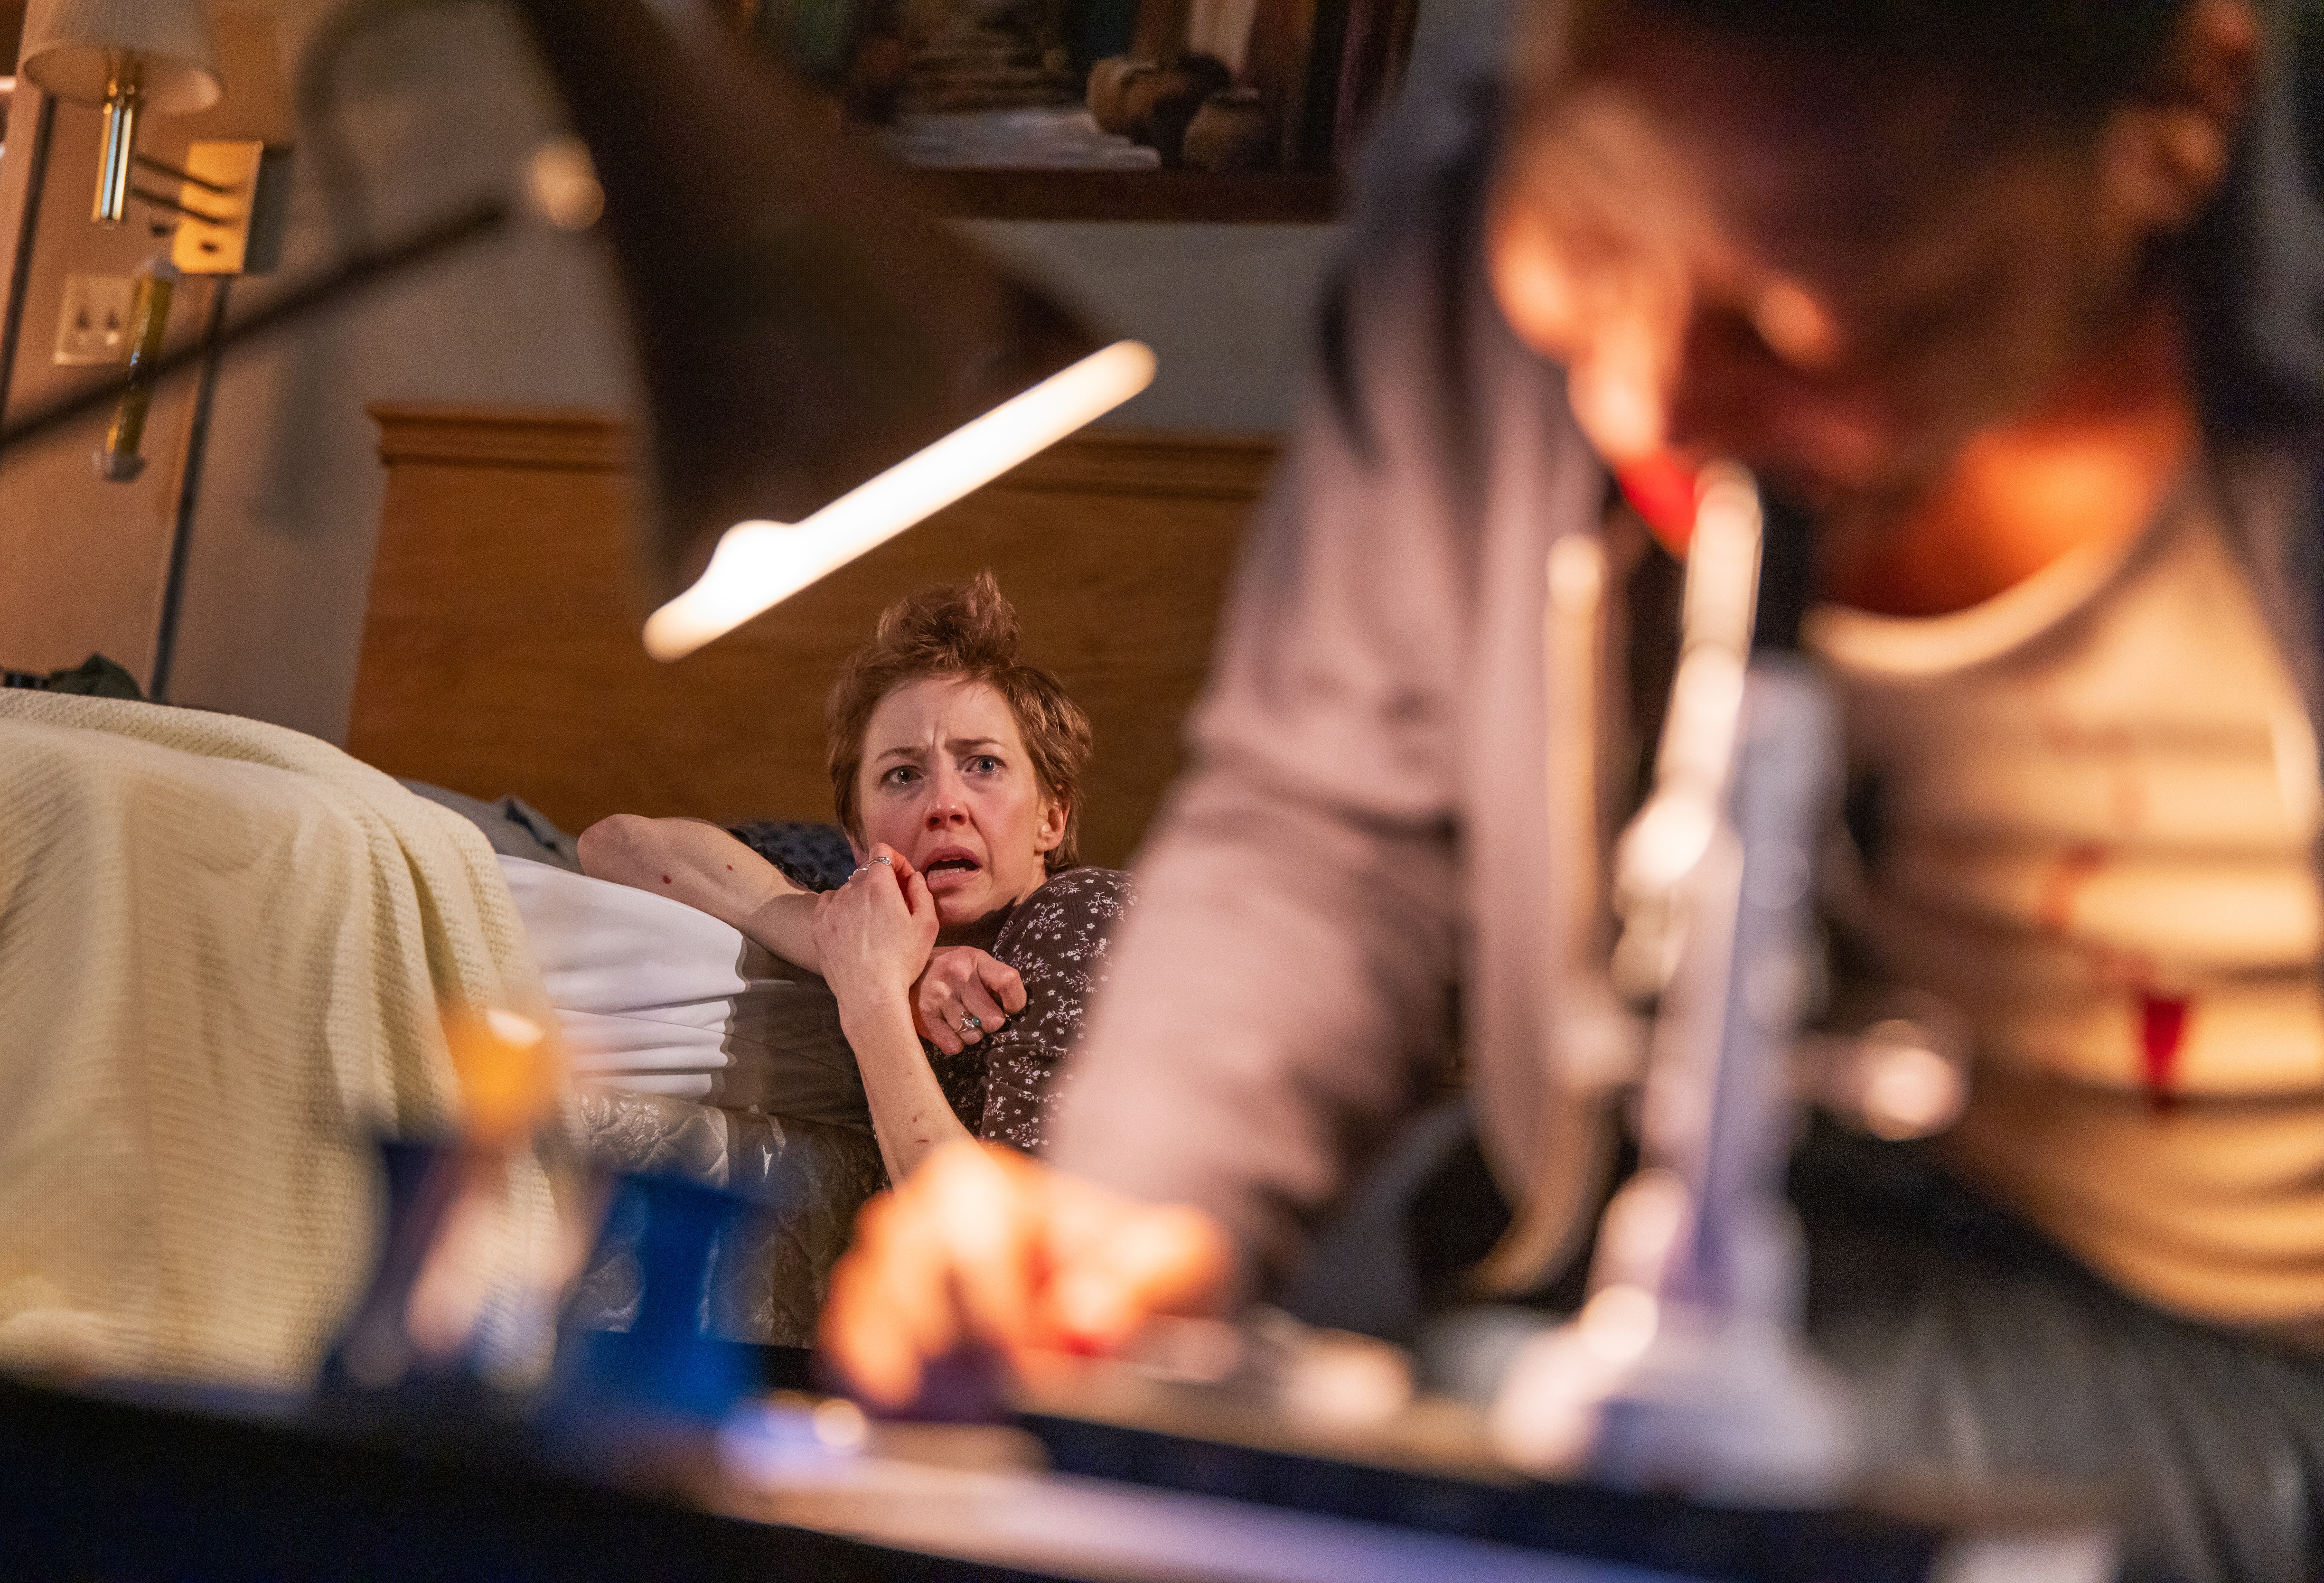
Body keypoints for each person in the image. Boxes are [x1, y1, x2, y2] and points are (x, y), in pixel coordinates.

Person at [820, 3, 2324, 1579]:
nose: (1644, 409)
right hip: (1671, 1240)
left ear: (2179, 116)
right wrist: (1131, 1216)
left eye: (1789, 326)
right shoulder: (1523, 146)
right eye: (1580, 268)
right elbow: (1336, 811)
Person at [579, 573, 1131, 1181]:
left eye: (984, 765)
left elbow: (1002, 1243)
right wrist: (845, 944)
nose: (943, 803)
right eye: (902, 775)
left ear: (1052, 817)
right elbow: (616, 844)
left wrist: (873, 992)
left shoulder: (1083, 911)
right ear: (859, 838)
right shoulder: (855, 902)